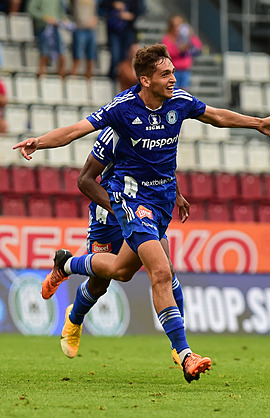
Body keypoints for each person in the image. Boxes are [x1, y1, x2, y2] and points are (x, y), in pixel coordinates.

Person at [13, 43, 270, 383]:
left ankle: (67, 265)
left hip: (159, 201)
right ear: (145, 80)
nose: (174, 78)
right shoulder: (122, 112)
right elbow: (76, 134)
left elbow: (215, 116)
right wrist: (39, 141)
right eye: (166, 74)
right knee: (161, 270)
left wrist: (257, 123)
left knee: (119, 272)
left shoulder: (179, 103)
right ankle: (183, 352)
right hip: (125, 201)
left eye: (173, 71)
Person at [46, 126, 190, 364]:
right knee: (101, 283)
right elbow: (85, 180)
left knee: (165, 268)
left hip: (145, 209)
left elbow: (160, 166)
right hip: (110, 213)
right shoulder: (115, 131)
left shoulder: (155, 127)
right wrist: (121, 211)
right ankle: (75, 315)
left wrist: (176, 194)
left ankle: (179, 347)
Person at [101, 0, 144, 80]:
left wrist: (130, 16)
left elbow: (139, 11)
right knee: (115, 56)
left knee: (125, 57)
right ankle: (112, 77)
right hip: (114, 30)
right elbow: (102, 5)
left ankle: (122, 78)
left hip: (127, 30)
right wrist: (113, 4)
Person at [27, 0, 71, 77]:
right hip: (43, 28)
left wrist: (64, 19)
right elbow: (31, 9)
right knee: (44, 54)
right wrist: (44, 18)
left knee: (62, 53)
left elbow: (60, 12)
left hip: (55, 28)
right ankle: (42, 78)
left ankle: (61, 79)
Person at [161, 14, 202, 90]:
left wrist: (192, 35)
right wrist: (179, 50)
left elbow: (198, 47)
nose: (178, 28)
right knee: (172, 91)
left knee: (184, 92)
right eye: (175, 26)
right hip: (172, 71)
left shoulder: (187, 37)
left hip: (185, 70)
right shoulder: (168, 38)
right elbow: (166, 52)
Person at [69, 0, 99, 79]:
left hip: (91, 29)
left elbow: (96, 12)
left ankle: (89, 81)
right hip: (79, 28)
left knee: (91, 57)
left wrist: (95, 19)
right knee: (77, 56)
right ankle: (73, 78)